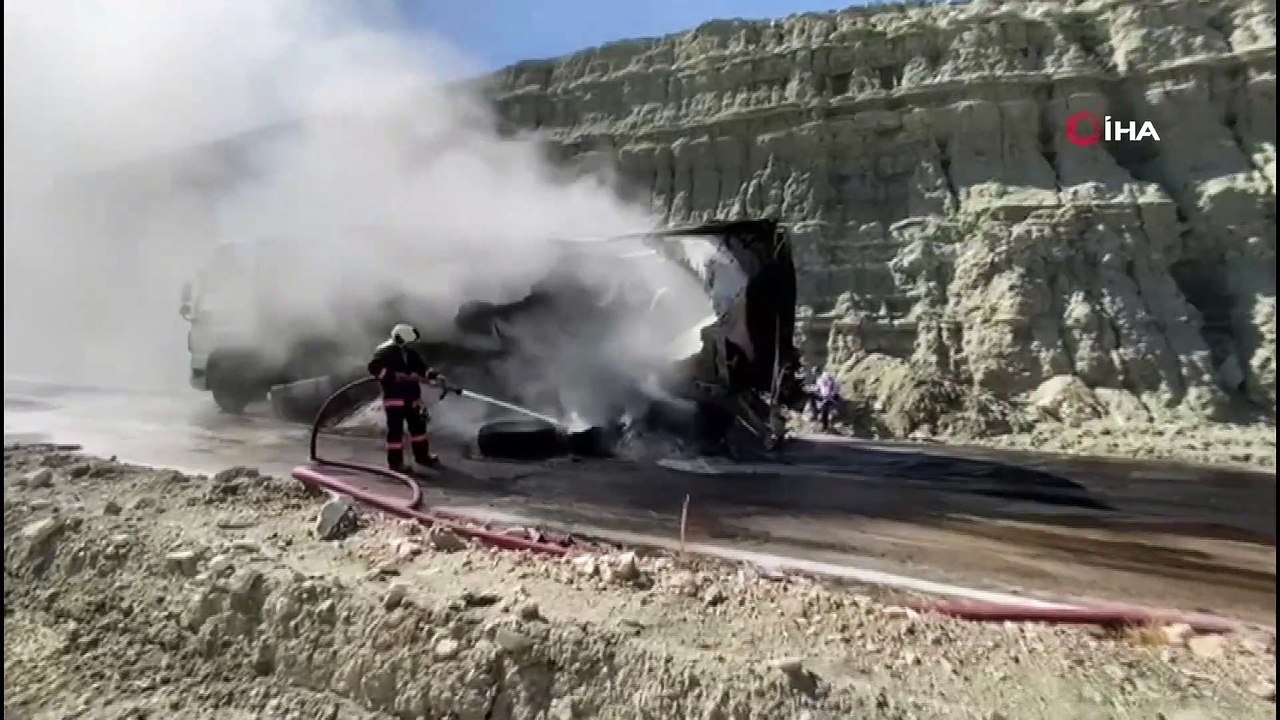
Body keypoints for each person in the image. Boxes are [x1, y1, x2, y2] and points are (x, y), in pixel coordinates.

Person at [368, 323, 443, 472]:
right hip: (394, 398)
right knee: (395, 431)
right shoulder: (384, 352)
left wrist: (435, 376)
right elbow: (374, 369)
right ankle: (396, 463)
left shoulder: (410, 353)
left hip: (412, 397)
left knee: (418, 429)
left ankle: (423, 456)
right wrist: (396, 376)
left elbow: (422, 369)